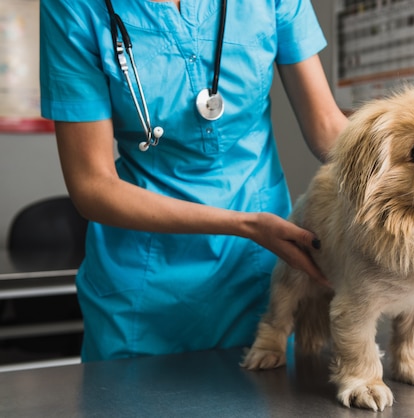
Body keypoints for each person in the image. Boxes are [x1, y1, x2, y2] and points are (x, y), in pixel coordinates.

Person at [39, 0, 348, 362]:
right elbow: (93, 186)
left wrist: (407, 163)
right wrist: (244, 225)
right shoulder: (74, 7)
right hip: (145, 277)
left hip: (264, 263)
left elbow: (328, 128)